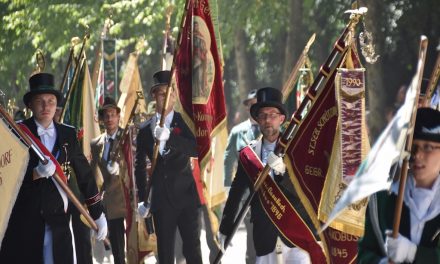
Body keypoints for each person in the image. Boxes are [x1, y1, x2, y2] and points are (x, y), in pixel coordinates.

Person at [0, 72, 107, 264]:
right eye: (39, 101)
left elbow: (85, 176)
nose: (45, 106)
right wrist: (35, 173)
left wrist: (98, 213)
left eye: (50, 101)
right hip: (25, 221)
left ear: (56, 104)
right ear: (30, 105)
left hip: (58, 222)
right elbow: (6, 178)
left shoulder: (68, 134)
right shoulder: (17, 133)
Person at [219, 87, 311, 263]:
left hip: (294, 230)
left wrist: (283, 171)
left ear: (282, 119)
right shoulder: (248, 154)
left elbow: (306, 185)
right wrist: (225, 227)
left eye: (273, 115)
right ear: (257, 120)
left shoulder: (296, 147)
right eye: (262, 116)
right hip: (263, 231)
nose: (268, 120)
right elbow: (237, 192)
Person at [135, 70, 203, 264]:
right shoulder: (144, 130)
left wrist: (170, 138)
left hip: (186, 196)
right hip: (160, 199)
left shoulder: (185, 122)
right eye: (161, 94)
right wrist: (142, 200)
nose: (166, 98)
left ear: (175, 95)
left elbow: (196, 150)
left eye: (169, 93)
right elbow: (140, 167)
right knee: (164, 254)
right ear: (154, 96)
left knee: (192, 251)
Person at [358, 107, 440, 263]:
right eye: (413, 147)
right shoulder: (382, 199)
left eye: (428, 147)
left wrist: (412, 253)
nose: (417, 155)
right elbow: (364, 253)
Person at [223, 89, 259, 263]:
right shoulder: (238, 131)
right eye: (251, 105)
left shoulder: (272, 129)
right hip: (246, 193)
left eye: (257, 104)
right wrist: (227, 187)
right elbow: (228, 159)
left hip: (270, 192)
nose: (254, 108)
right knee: (252, 239)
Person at [90, 97, 128, 264]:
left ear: (118, 116)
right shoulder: (96, 144)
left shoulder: (128, 136)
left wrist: (122, 167)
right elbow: (92, 173)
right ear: (102, 119)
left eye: (113, 114)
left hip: (126, 196)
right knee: (115, 248)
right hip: (110, 201)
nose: (110, 119)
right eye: (106, 115)